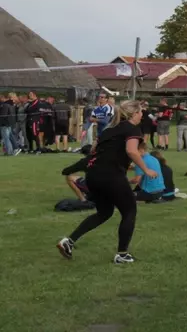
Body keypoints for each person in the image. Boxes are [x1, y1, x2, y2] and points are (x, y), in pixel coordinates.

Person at [56, 100, 158, 263]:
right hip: (111, 175)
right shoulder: (132, 129)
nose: (142, 115)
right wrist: (146, 169)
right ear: (133, 114)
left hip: (94, 176)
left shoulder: (109, 130)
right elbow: (131, 151)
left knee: (104, 213)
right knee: (130, 210)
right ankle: (122, 254)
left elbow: (95, 153)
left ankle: (69, 241)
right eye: (140, 113)